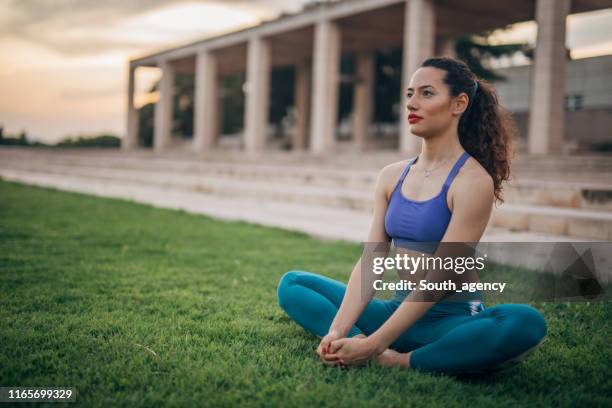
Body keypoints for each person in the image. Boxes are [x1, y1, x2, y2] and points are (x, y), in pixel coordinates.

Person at [277, 57, 547, 374]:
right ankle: (353, 345)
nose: (411, 103)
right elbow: (371, 262)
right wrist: (338, 330)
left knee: (525, 323)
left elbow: (440, 276)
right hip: (397, 310)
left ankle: (395, 359)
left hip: (451, 318)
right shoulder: (392, 176)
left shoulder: (473, 181)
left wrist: (377, 344)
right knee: (292, 284)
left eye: (426, 93)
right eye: (409, 93)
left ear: (459, 104)